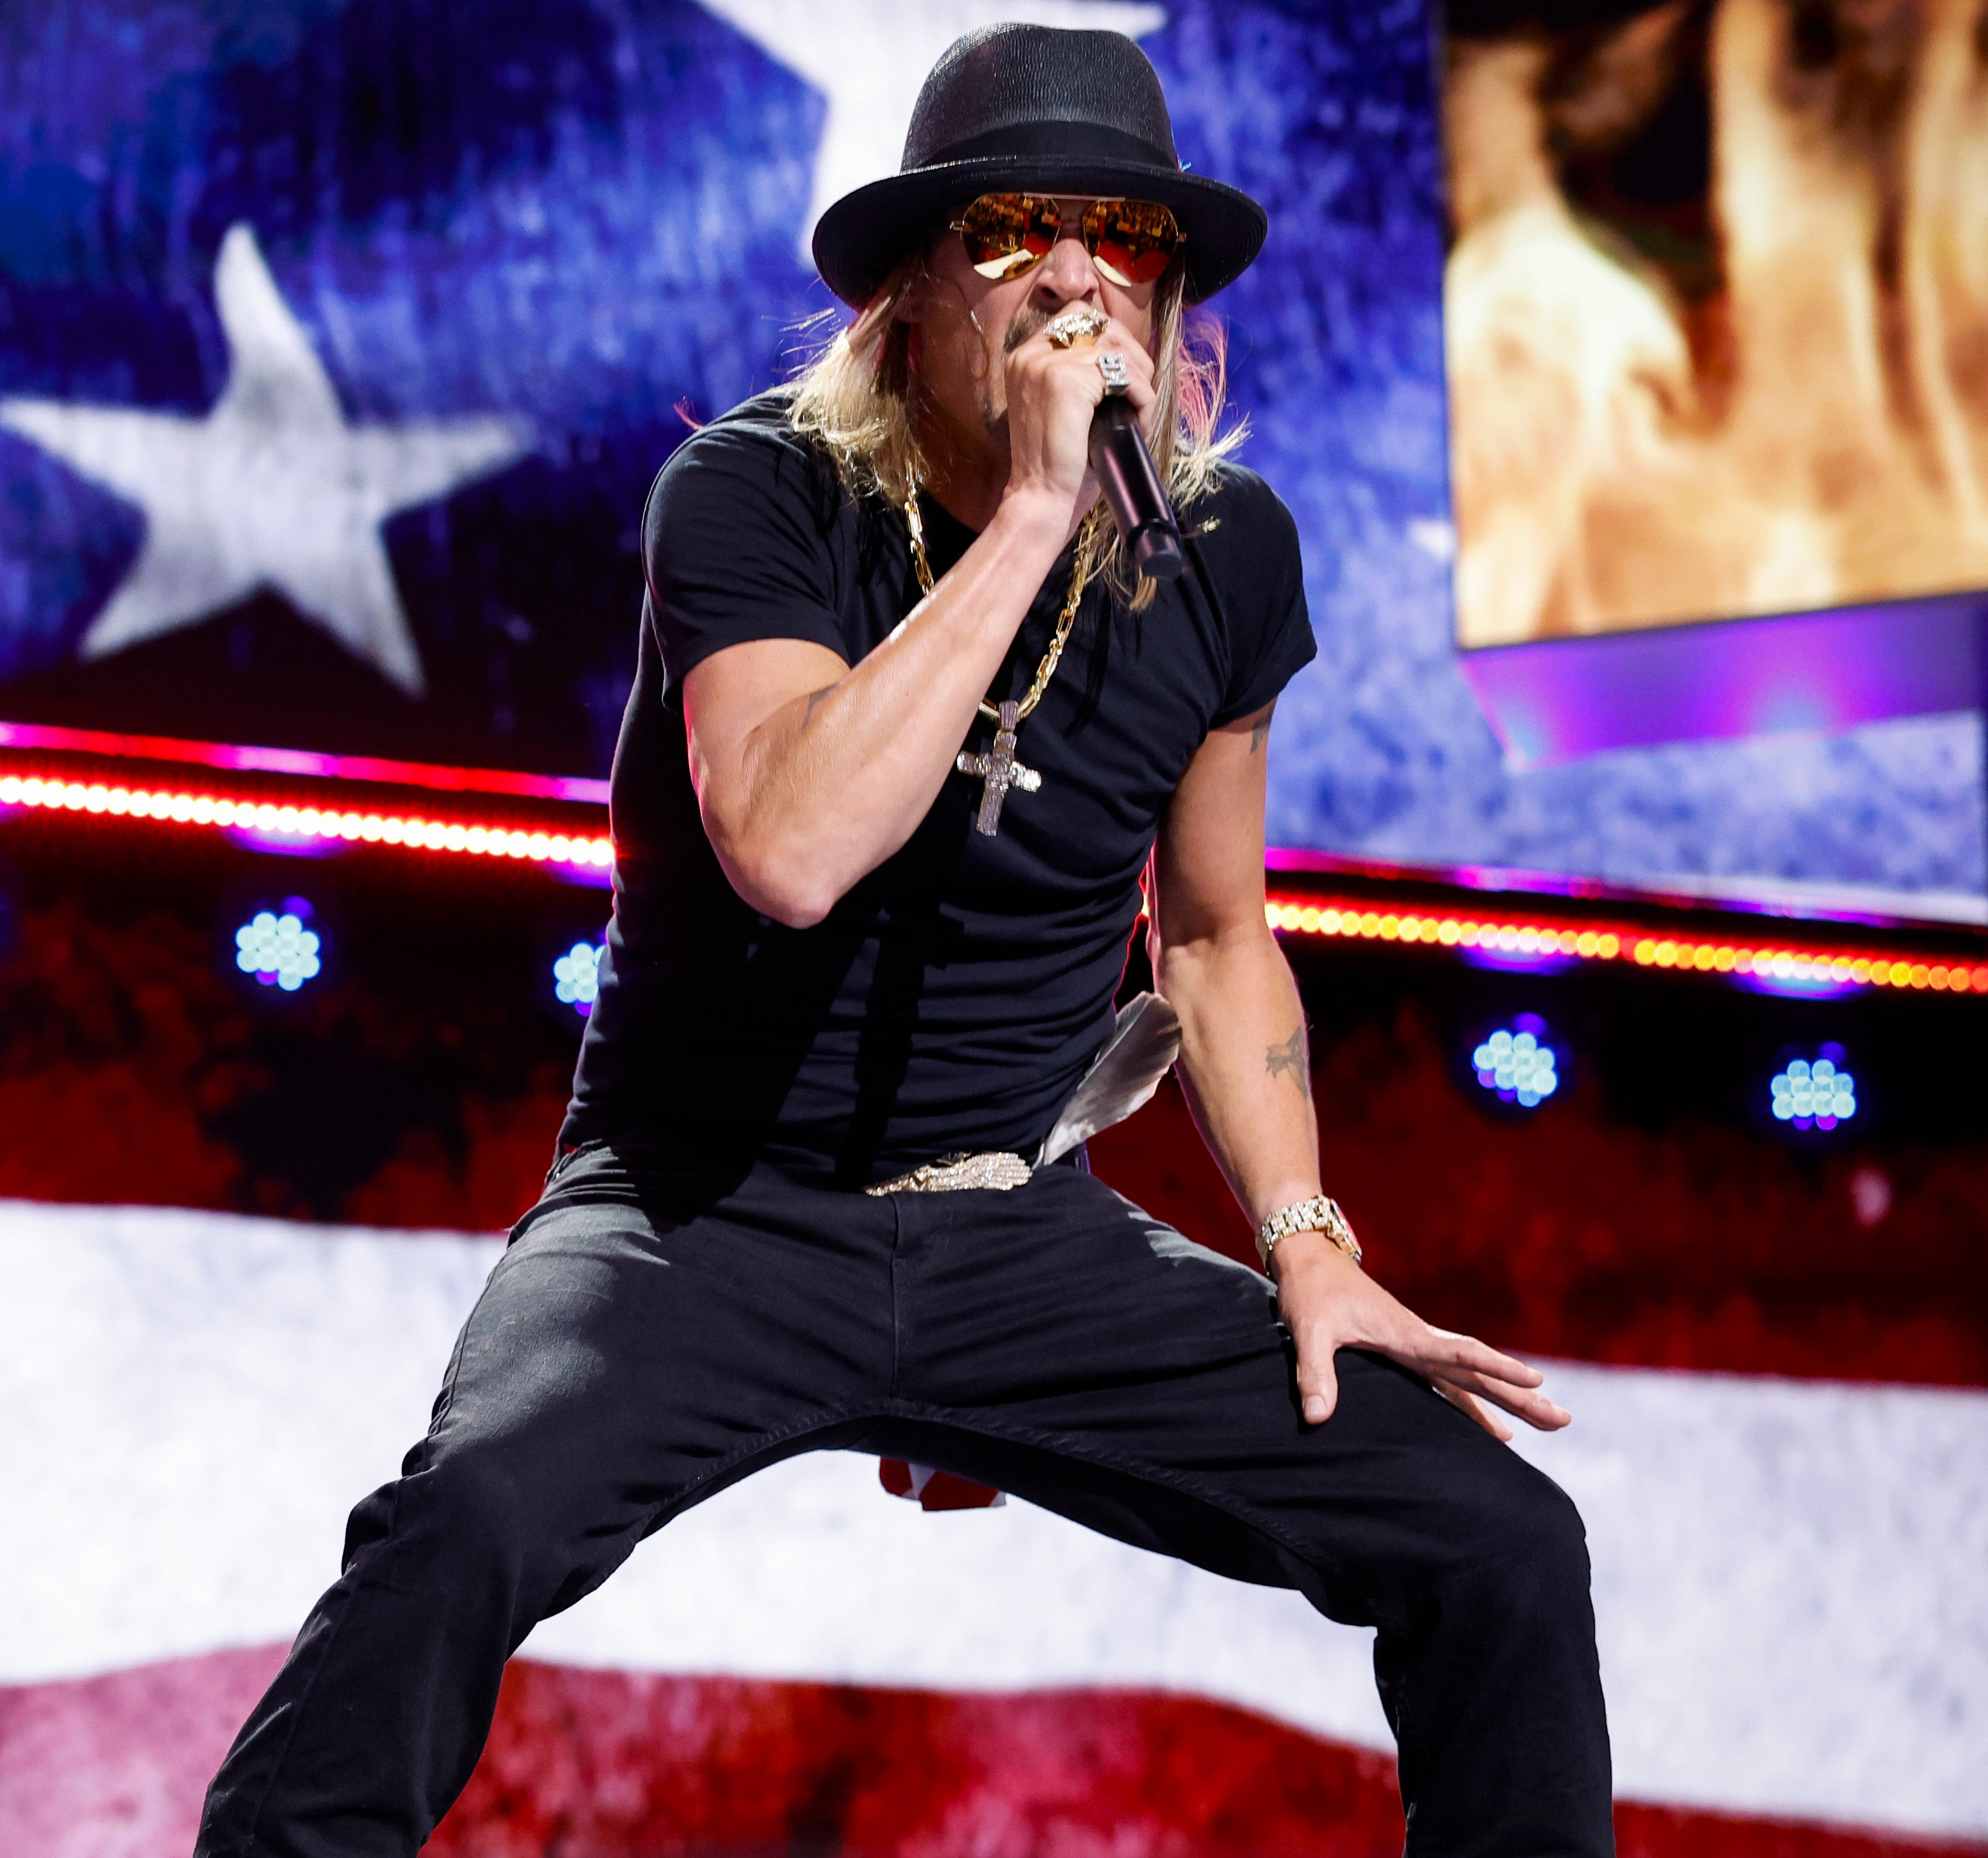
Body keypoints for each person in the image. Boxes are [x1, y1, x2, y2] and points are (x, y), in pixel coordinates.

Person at [198, 25, 1611, 1856]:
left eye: (1129, 238)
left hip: (1015, 1219)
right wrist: (1032, 513)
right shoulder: (758, 494)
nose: (1086, 277)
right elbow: (790, 845)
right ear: (901, 293)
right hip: (705, 1209)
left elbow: (1213, 933)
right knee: (461, 1524)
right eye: (1023, 228)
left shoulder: (1224, 556)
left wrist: (1306, 1236)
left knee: (1496, 1540)